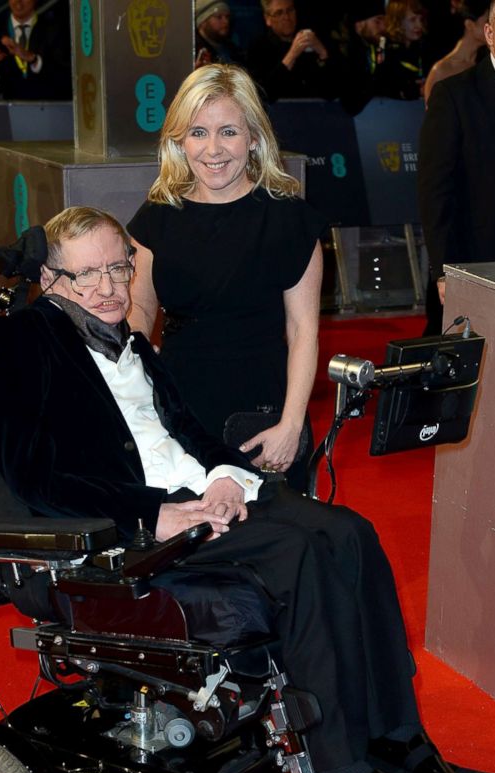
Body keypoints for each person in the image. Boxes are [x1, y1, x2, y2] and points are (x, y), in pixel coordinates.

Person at [0, 205, 494, 773]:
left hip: (204, 497)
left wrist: (230, 478)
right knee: (302, 553)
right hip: (137, 529)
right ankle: (341, 771)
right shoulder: (19, 340)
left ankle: (399, 740)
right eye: (87, 276)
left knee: (351, 531)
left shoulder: (134, 342)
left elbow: (188, 434)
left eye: (119, 267)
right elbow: (32, 476)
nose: (110, 288)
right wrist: (153, 512)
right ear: (49, 279)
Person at [127, 63, 323, 493]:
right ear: (179, 139)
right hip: (178, 412)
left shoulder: (290, 220)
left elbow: (304, 331)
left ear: (254, 138)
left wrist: (291, 424)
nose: (213, 149)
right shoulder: (157, 218)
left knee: (271, 542)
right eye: (198, 132)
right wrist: (140, 370)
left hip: (261, 412)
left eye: (228, 132)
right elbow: (138, 310)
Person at [418, 0, 495, 334]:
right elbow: (435, 192)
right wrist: (445, 271)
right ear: (488, 32)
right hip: (481, 268)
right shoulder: (454, 96)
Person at [247, 0, 340, 100]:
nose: (286, 17)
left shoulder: (312, 40)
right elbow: (264, 94)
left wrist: (323, 53)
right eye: (279, 13)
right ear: (267, 19)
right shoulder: (258, 48)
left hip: (319, 110)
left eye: (290, 10)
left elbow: (337, 89)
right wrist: (292, 55)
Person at [0, 0, 71, 100]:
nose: (18, 1)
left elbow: (66, 77)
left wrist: (33, 59)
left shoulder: (54, 29)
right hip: (8, 111)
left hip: (48, 108)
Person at [423, 0, 489, 104]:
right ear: (470, 25)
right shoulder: (441, 70)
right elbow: (435, 117)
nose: (494, 27)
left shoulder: (489, 63)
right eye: (488, 21)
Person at [335, 0, 389, 114]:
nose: (384, 27)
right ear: (359, 26)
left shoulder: (378, 49)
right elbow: (351, 105)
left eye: (385, 21)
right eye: (377, 21)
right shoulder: (345, 54)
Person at [375, 0, 427, 100]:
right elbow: (381, 84)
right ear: (397, 21)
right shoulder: (383, 44)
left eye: (420, 20)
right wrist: (414, 90)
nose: (419, 25)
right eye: (412, 20)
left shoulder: (421, 45)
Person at [194, 0, 246, 68]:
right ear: (203, 22)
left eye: (227, 17)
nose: (226, 21)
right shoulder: (194, 51)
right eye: (219, 17)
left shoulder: (233, 50)